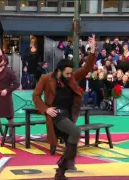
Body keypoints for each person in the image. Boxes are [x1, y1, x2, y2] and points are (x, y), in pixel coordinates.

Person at [32, 34, 96, 180]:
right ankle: (61, 166)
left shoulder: (71, 76)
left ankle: (60, 173)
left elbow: (86, 69)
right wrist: (46, 109)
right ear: (59, 70)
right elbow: (35, 96)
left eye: (70, 73)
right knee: (76, 132)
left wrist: (92, 51)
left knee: (71, 144)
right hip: (56, 115)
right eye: (66, 73)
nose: (69, 75)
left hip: (69, 115)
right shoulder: (46, 78)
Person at [0, 55, 19, 141]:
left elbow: (17, 83)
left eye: (1, 60)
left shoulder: (9, 71)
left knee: (9, 116)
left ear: (5, 62)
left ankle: (11, 135)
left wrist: (7, 90)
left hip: (5, 97)